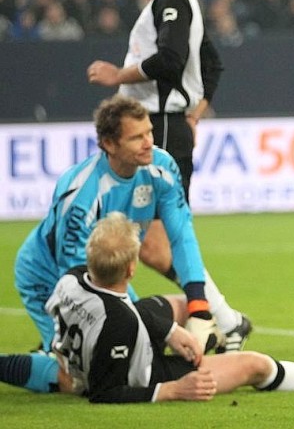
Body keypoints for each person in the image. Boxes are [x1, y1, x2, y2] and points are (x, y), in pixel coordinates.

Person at [2, 212, 294, 401]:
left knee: (179, 306)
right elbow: (107, 392)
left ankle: (213, 329)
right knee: (256, 365)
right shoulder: (120, 322)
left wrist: (171, 330)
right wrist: (172, 389)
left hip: (73, 356)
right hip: (136, 370)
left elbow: (133, 313)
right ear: (131, 266)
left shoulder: (71, 277)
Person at [85, 0, 250, 353]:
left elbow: (172, 60)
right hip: (167, 126)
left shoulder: (173, 1)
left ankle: (222, 318)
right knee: (159, 245)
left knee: (160, 244)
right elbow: (212, 63)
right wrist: (195, 112)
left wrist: (117, 74)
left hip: (156, 128)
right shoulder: (179, 3)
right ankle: (225, 318)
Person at [14, 95, 225, 391]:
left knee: (136, 342)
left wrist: (199, 305)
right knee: (79, 378)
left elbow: (181, 235)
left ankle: (55, 346)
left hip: (107, 273)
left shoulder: (161, 166)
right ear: (109, 145)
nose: (149, 142)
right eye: (136, 137)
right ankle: (45, 356)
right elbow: (82, 283)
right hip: (52, 276)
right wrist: (164, 329)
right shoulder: (82, 194)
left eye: (149, 132)